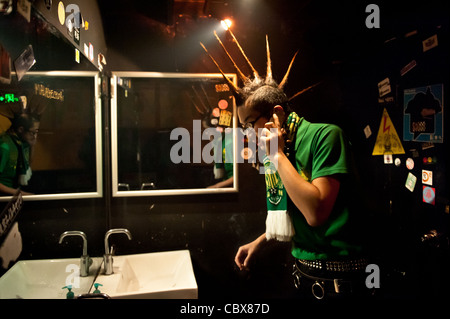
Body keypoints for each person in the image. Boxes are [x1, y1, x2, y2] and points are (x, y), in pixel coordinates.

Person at [234, 85, 370, 300]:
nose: (249, 133)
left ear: (276, 113)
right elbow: (294, 208)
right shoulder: (280, 146)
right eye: (244, 127)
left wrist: (278, 156)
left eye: (250, 124)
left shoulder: (326, 135)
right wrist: (261, 241)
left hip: (340, 275)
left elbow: (315, 214)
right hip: (302, 271)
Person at [0, 113, 39, 195]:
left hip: (13, 193)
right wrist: (21, 194)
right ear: (21, 129)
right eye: (33, 132)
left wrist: (32, 146)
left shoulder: (21, 144)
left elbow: (28, 163)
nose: (35, 136)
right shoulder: (5, 147)